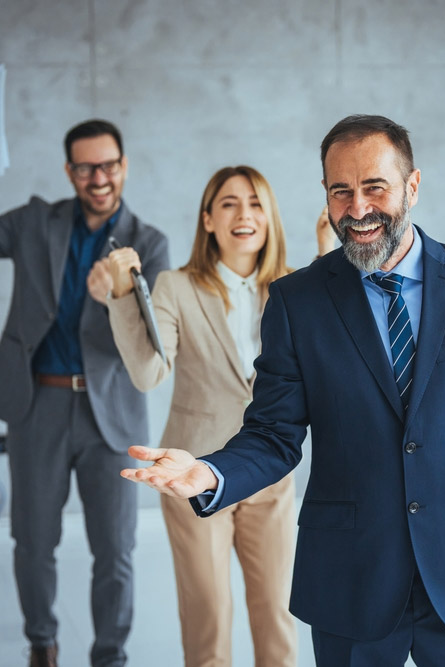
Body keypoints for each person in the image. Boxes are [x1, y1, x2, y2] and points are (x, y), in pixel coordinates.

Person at [119, 114, 445, 666]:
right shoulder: (297, 302)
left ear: (412, 186)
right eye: (340, 191)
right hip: (351, 578)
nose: (358, 208)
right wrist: (210, 472)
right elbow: (274, 435)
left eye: (375, 186)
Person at [0, 119, 170, 667]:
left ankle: (110, 656)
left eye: (108, 164)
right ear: (70, 172)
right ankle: (42, 643)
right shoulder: (35, 222)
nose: (99, 177)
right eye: (86, 167)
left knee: (116, 553)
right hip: (37, 405)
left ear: (124, 166)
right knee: (33, 543)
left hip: (111, 414)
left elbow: (156, 341)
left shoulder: (150, 243)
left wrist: (117, 296)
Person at [105, 167, 335, 666]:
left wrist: (326, 256)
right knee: (209, 614)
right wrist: (124, 294)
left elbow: (331, 353)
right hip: (194, 474)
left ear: (270, 216)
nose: (244, 214)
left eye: (255, 202)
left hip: (271, 479)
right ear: (208, 219)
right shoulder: (175, 287)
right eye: (228, 203)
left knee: (276, 612)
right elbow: (148, 374)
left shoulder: (295, 287)